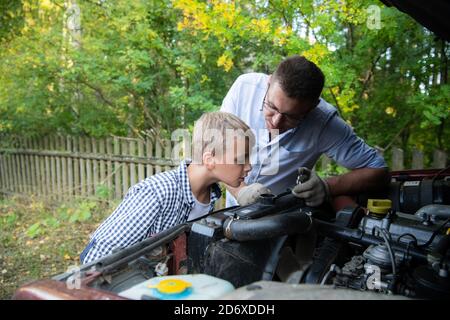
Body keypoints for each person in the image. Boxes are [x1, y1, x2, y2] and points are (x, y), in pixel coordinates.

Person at [80, 112, 253, 264]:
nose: (248, 167)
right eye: (240, 159)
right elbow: (98, 258)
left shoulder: (210, 195)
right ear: (209, 159)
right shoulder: (157, 193)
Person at [220, 55, 389, 208]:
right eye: (271, 106)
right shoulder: (243, 89)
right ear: (269, 82)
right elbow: (215, 152)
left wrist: (327, 186)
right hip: (229, 213)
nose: (276, 121)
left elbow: (378, 171)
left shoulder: (324, 123)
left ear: (312, 107)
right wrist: (240, 191)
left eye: (291, 117)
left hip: (282, 222)